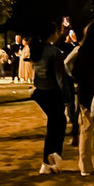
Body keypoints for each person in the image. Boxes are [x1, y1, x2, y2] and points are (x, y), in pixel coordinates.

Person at [64, 20, 94, 176]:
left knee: (86, 130)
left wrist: (76, 77)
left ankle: (85, 167)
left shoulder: (81, 51)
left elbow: (67, 65)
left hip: (85, 93)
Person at [29, 21, 67, 175]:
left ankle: (49, 160)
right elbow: (60, 77)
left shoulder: (36, 50)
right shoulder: (55, 52)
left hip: (40, 91)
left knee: (54, 123)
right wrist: (67, 96)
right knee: (57, 125)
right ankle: (51, 158)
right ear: (52, 34)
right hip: (53, 92)